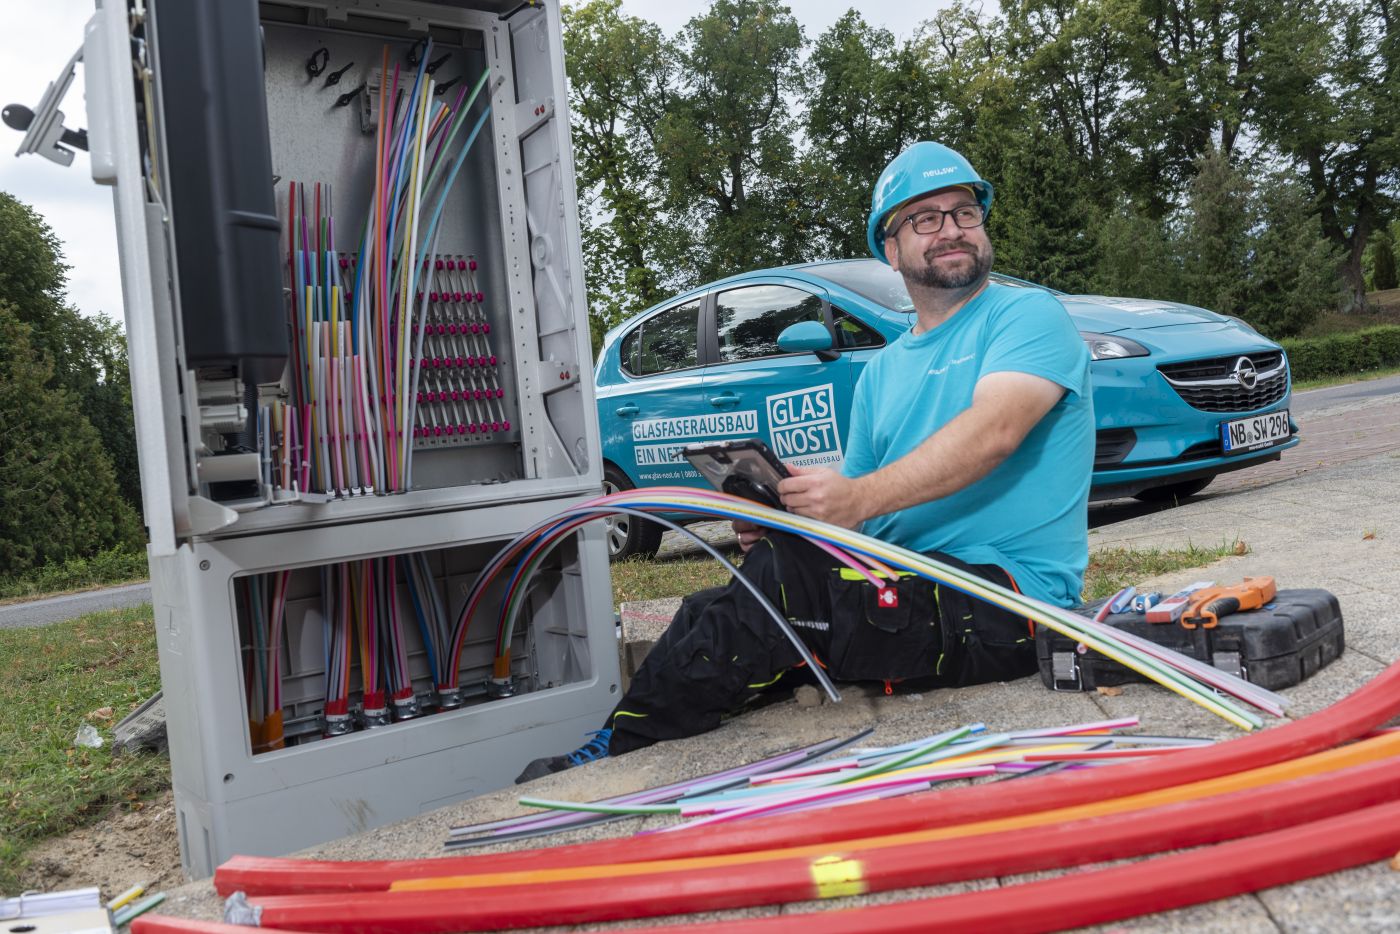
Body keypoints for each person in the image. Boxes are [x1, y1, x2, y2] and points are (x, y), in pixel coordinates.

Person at [516, 141, 1094, 783]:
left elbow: (996, 432)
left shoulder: (1027, 316)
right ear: (891, 248)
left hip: (1006, 603)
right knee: (710, 609)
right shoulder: (882, 371)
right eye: (924, 219)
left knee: (783, 588)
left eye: (964, 212)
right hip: (909, 585)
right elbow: (859, 515)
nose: (951, 229)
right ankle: (620, 742)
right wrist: (789, 516)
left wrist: (855, 500)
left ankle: (610, 770)